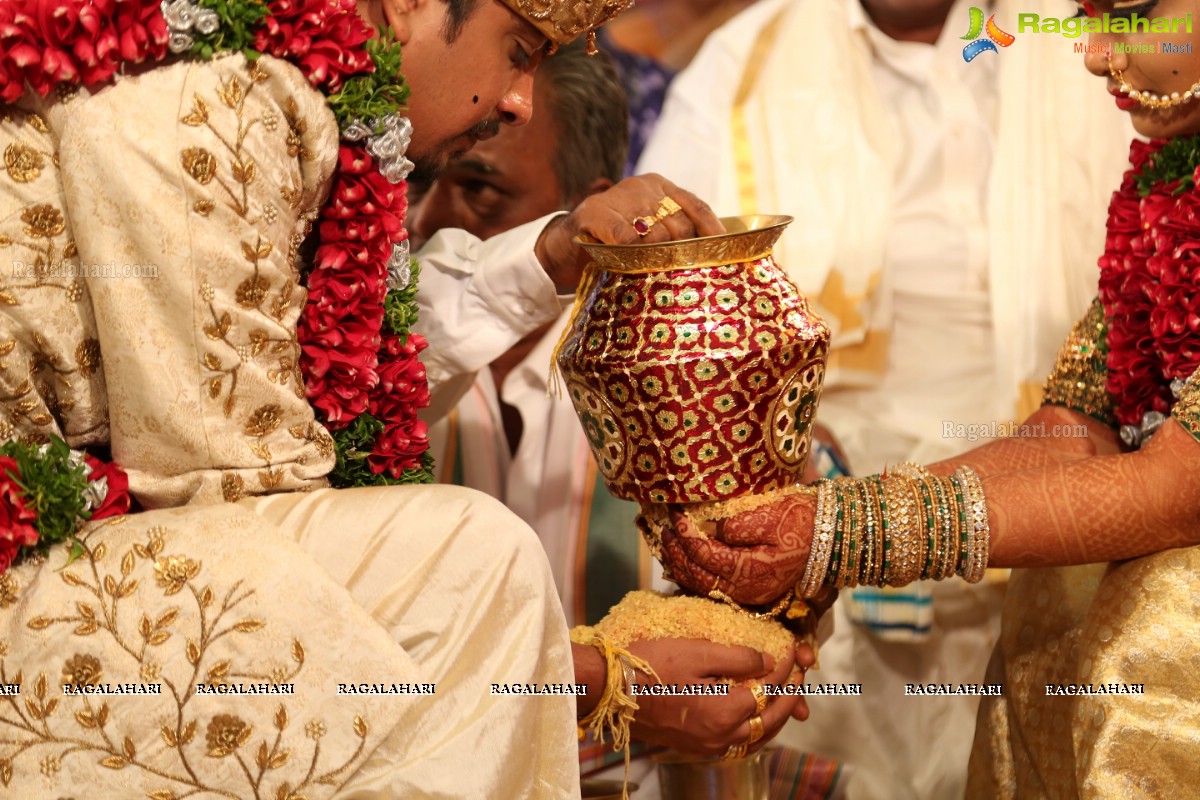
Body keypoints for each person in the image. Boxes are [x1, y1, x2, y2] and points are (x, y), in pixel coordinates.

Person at [0, 0, 742, 795]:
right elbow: (225, 486)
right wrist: (599, 678)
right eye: (519, 51)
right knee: (468, 557)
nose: (519, 98)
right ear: (409, 7)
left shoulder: (296, 108)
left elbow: (325, 382)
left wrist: (554, 252)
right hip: (25, 562)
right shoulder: (216, 99)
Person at [647, 0, 1200, 795]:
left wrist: (846, 530)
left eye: (1132, 17)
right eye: (1094, 16)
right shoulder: (1169, 178)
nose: (1091, 55)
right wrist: (833, 516)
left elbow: (1182, 486)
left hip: (1136, 591)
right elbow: (1074, 424)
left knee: (1140, 627)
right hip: (872, 474)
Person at [413, 41, 817, 775]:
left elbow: (759, 639)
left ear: (593, 200)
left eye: (479, 189)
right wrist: (613, 682)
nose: (430, 223)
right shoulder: (372, 365)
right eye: (420, 184)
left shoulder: (682, 384)